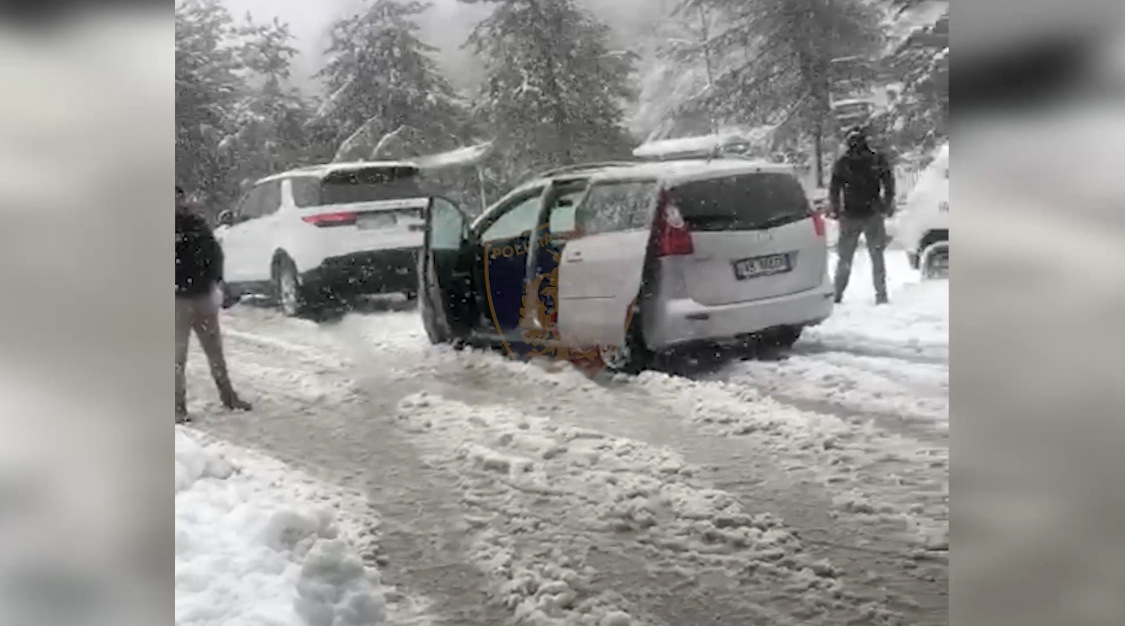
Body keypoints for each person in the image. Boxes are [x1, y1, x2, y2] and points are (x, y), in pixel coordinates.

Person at [175, 185, 251, 423]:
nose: (177, 203)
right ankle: (177, 407)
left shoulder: (196, 224)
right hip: (177, 300)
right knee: (177, 357)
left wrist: (216, 280)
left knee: (214, 352)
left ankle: (228, 396)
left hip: (202, 296)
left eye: (179, 198)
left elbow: (214, 253)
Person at [828, 125, 896, 305]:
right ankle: (881, 294)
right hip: (873, 213)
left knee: (845, 258)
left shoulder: (843, 163)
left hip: (850, 215)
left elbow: (834, 189)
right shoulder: (876, 159)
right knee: (877, 256)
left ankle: (837, 293)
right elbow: (889, 183)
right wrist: (886, 204)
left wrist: (836, 209)